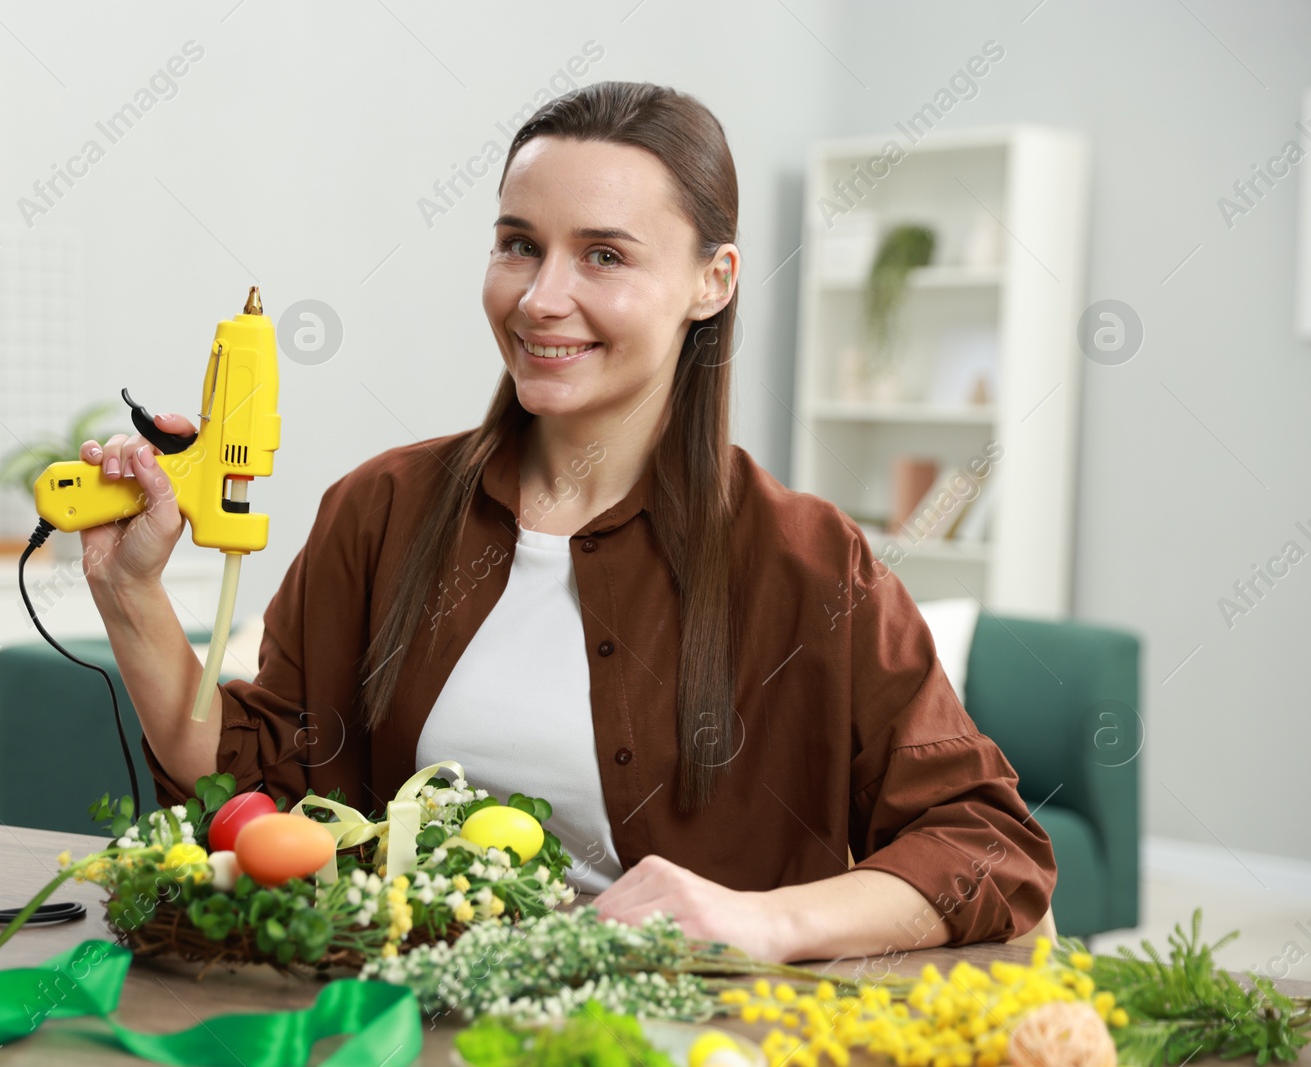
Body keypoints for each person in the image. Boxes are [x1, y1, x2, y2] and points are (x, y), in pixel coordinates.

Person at [77, 80, 1057, 964]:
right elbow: (256, 783)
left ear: (711, 282)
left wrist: (764, 920)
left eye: (603, 255)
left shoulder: (808, 562)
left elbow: (986, 842)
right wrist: (131, 591)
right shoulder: (381, 509)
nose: (541, 299)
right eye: (518, 245)